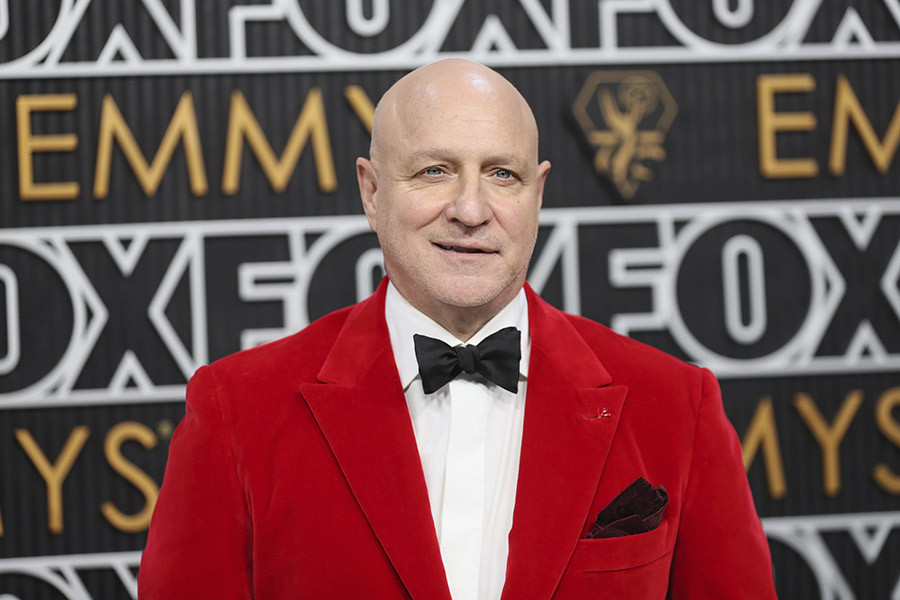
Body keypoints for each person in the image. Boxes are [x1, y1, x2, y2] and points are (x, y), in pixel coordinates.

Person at [139, 59, 777, 599]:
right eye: (434, 171)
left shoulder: (675, 403)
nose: (471, 211)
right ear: (371, 189)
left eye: (503, 175)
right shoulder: (236, 409)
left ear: (539, 193)